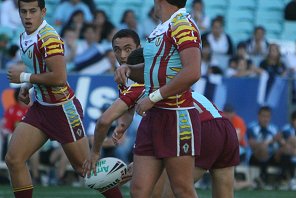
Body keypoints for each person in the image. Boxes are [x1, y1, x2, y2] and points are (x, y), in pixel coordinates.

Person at [5, 1, 121, 197]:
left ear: (43, 11)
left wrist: (23, 78)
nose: (27, 16)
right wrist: (27, 87)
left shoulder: (48, 37)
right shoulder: (25, 35)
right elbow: (38, 68)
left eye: (32, 11)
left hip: (62, 110)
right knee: (14, 159)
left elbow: (59, 77)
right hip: (41, 108)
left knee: (85, 170)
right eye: (23, 11)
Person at [114, 1, 202, 197]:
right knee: (138, 191)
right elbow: (151, 71)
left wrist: (153, 97)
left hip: (176, 116)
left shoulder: (182, 25)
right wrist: (129, 69)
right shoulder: (162, 27)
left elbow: (193, 71)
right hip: (153, 117)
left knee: (182, 189)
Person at [83, 29, 142, 178]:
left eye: (128, 49)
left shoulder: (146, 75)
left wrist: (95, 152)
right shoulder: (123, 76)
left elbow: (104, 121)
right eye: (117, 50)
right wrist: (122, 126)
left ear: (139, 48)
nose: (122, 56)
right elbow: (130, 108)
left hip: (181, 127)